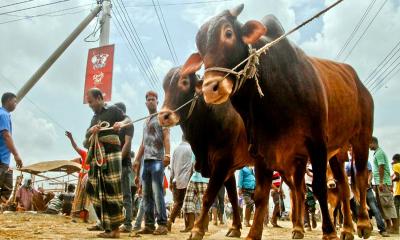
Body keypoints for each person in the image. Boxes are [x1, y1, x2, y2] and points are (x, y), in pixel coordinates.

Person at [85, 88, 131, 238]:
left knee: (113, 190)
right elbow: (86, 140)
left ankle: (115, 230)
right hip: (97, 157)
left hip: (112, 154)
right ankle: (107, 227)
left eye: (91, 101)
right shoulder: (93, 118)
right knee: (94, 189)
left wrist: (121, 123)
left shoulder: (113, 110)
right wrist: (92, 131)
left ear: (99, 98)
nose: (90, 105)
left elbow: (128, 120)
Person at [133, 91, 170, 235]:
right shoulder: (145, 121)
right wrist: (137, 159)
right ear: (145, 103)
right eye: (148, 99)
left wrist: (167, 154)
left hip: (157, 161)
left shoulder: (162, 117)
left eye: (153, 99)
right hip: (146, 162)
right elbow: (143, 143)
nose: (150, 101)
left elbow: (166, 137)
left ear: (157, 102)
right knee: (146, 194)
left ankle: (162, 224)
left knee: (157, 192)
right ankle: (149, 224)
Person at [370, 136, 399, 234]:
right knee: (383, 205)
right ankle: (389, 226)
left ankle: (395, 227)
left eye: (369, 144)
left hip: (383, 183)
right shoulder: (377, 153)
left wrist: (381, 182)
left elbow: (381, 167)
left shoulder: (379, 153)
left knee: (388, 204)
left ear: (373, 143)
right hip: (379, 183)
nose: (368, 146)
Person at [114, 102, 134, 233]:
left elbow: (127, 144)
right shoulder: (114, 125)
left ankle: (127, 224)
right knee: (112, 196)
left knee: (125, 195)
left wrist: (118, 160)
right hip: (113, 164)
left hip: (123, 164)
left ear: (121, 111)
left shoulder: (127, 123)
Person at [167, 135, 193, 231]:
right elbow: (192, 166)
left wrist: (170, 180)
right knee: (185, 203)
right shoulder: (190, 149)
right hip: (186, 180)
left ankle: (172, 221)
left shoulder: (176, 149)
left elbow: (172, 166)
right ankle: (171, 221)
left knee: (178, 202)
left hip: (176, 180)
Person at [0, 92, 23, 204]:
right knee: (6, 188)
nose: (15, 104)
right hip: (1, 159)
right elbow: (6, 135)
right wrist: (16, 155)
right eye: (14, 101)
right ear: (8, 100)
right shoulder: (3, 115)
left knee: (7, 189)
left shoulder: (5, 115)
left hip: (4, 160)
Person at [65, 131, 90, 221]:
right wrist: (71, 138)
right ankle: (75, 214)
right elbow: (76, 147)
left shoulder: (96, 156)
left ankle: (85, 217)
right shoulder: (84, 154)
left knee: (88, 198)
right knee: (79, 196)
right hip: (82, 177)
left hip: (90, 178)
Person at [181, 155, 209, 233]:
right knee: (188, 204)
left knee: (204, 205)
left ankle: (204, 227)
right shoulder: (194, 150)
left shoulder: (209, 148)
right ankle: (190, 226)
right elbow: (192, 166)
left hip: (204, 179)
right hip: (193, 178)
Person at [365, 161, 390, 237]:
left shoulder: (366, 162)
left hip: (367, 189)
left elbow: (370, 173)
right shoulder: (350, 164)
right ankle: (368, 228)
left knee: (375, 209)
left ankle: (382, 230)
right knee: (362, 210)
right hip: (357, 191)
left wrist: (368, 182)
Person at [304, 162, 317, 231]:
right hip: (306, 186)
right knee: (305, 205)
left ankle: (312, 215)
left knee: (312, 204)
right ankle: (308, 225)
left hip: (315, 186)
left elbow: (309, 173)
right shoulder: (304, 164)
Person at [392, 154, 400, 224]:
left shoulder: (396, 165)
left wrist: (391, 180)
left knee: (396, 208)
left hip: (398, 191)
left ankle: (396, 225)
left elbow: (398, 177)